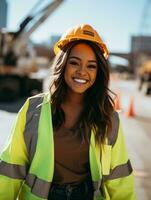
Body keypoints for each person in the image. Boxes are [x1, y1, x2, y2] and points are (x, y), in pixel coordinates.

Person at [0, 24, 136, 200]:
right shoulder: (33, 109)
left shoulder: (108, 116)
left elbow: (119, 178)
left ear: (99, 71)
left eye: (91, 66)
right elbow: (11, 168)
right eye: (74, 63)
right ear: (63, 64)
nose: (82, 72)